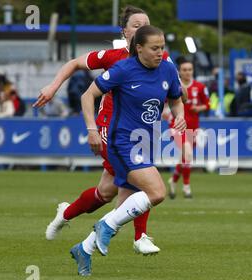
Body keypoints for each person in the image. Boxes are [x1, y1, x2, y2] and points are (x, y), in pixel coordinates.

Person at [34, 6, 165, 255]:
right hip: (110, 129)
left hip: (140, 132)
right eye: (136, 25)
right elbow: (74, 64)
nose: (142, 29)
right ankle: (139, 237)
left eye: (145, 25)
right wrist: (53, 87)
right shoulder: (113, 57)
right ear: (125, 31)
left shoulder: (161, 58)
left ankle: (67, 213)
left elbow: (167, 90)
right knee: (138, 177)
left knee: (104, 193)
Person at [70, 25, 186, 276]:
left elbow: (176, 99)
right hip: (122, 142)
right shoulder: (123, 69)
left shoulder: (167, 68)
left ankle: (84, 249)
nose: (160, 53)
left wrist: (180, 116)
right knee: (156, 192)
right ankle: (104, 226)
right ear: (139, 48)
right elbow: (88, 96)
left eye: (163, 47)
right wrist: (91, 129)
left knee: (122, 209)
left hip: (147, 143)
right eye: (155, 48)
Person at [165, 58, 210, 199]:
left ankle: (173, 181)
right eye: (184, 70)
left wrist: (200, 108)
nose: (187, 72)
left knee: (184, 158)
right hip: (177, 126)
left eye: (190, 69)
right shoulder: (173, 86)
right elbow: (165, 104)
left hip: (193, 127)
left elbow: (208, 104)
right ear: (179, 71)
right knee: (189, 155)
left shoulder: (200, 87)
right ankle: (186, 187)